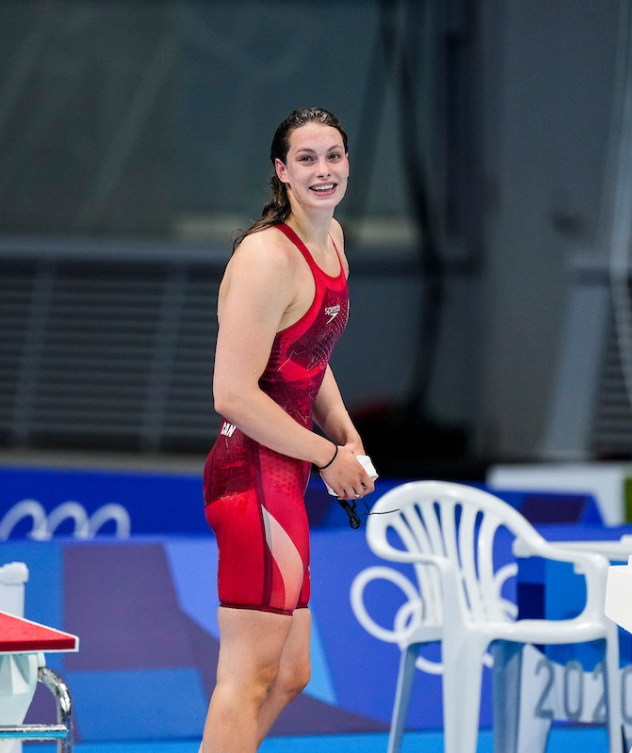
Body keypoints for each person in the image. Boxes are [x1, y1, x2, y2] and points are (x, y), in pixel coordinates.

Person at [200, 107, 375, 753]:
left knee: (290, 673)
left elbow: (307, 355)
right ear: (281, 171)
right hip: (249, 472)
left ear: (347, 163)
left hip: (286, 472)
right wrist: (328, 455)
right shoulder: (265, 257)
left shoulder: (330, 241)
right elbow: (232, 393)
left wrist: (342, 429)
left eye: (332, 155)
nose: (322, 170)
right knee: (248, 674)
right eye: (306, 158)